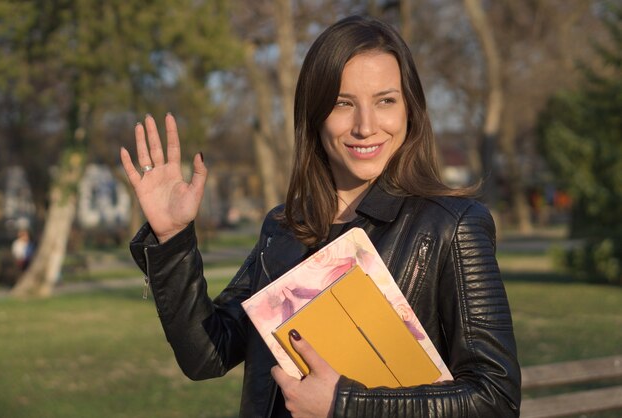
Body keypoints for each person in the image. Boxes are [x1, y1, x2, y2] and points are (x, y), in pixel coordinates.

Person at [120, 15, 520, 418]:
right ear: (314, 114)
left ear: (410, 109)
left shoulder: (451, 225)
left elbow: (495, 398)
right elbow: (208, 354)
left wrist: (344, 405)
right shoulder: (283, 228)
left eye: (386, 101)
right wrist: (172, 239)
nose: (366, 126)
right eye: (344, 103)